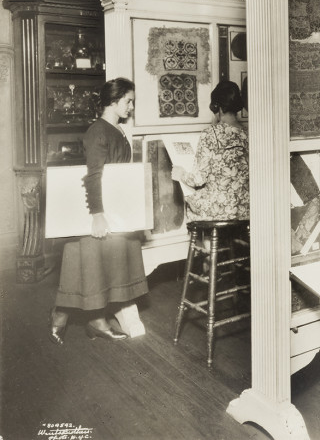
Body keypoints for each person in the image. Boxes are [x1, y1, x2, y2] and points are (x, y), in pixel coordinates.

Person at [50, 77, 149, 344]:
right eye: (128, 101)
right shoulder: (98, 131)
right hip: (102, 211)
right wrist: (97, 214)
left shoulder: (117, 130)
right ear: (114, 101)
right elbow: (93, 176)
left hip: (116, 212)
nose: (131, 107)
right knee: (92, 269)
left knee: (108, 269)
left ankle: (95, 320)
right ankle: (65, 314)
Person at [171, 80, 249, 222]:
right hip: (246, 209)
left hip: (218, 210)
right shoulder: (248, 133)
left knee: (190, 198)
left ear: (217, 107)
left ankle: (209, 244)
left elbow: (198, 179)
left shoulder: (210, 133)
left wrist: (181, 173)